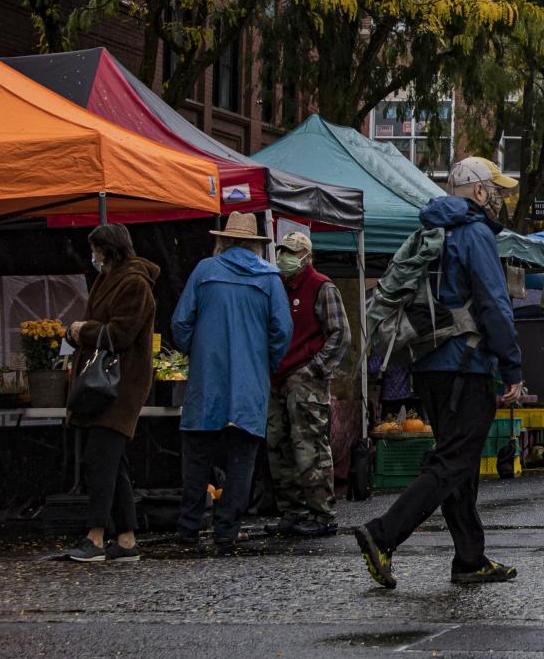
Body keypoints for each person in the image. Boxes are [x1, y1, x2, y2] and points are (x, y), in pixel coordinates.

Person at [355, 157, 524, 588]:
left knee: (459, 463)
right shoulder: (474, 234)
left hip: (427, 364)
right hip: (465, 365)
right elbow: (493, 304)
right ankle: (383, 534)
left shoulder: (431, 229)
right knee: (454, 460)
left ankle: (470, 558)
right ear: (480, 192)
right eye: (496, 190)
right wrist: (512, 367)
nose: (500, 199)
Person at [172, 213, 293, 554]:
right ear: (255, 244)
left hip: (206, 381)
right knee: (242, 459)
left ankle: (189, 527)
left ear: (223, 240)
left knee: (197, 456)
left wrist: (197, 349)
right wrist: (264, 362)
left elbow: (181, 323)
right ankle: (227, 528)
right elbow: (282, 331)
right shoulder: (270, 279)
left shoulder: (204, 271)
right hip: (248, 384)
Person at [63, 224, 159, 562]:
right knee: (111, 461)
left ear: (108, 249)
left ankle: (96, 535)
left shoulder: (134, 283)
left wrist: (82, 330)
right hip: (108, 384)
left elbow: (121, 333)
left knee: (101, 459)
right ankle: (127, 538)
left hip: (121, 384)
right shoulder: (110, 277)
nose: (93, 255)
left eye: (96, 249)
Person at [264, 232, 350, 539]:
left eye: (293, 252)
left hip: (304, 378)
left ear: (307, 256)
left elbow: (340, 334)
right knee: (278, 445)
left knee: (309, 447)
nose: (286, 256)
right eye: (283, 251)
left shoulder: (321, 287)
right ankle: (293, 511)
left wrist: (314, 370)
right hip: (278, 376)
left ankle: (322, 513)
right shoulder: (277, 286)